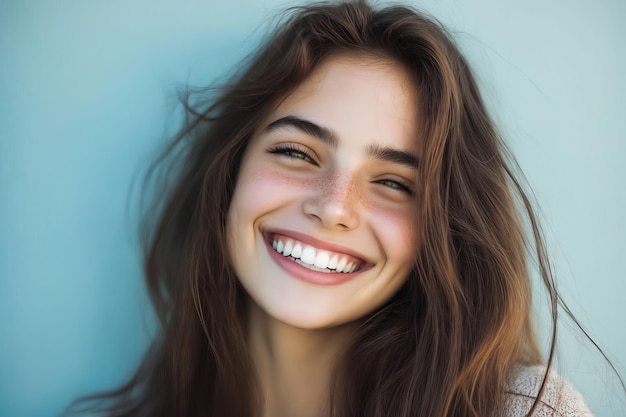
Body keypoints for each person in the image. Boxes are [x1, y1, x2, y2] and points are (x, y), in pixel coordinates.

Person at [68, 1, 602, 416]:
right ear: (229, 173)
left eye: (393, 182)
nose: (332, 208)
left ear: (441, 227)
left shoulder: (522, 409)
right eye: (297, 153)